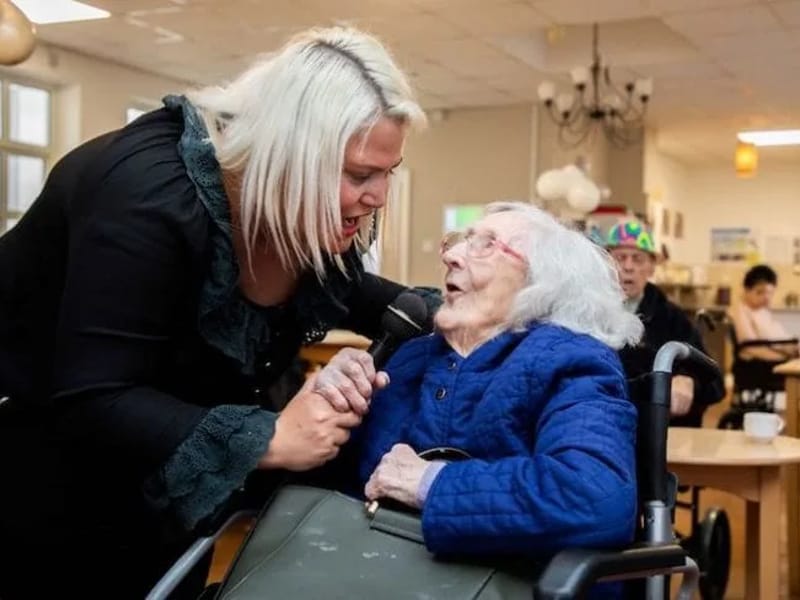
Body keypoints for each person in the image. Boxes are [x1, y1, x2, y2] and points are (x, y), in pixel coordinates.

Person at [0, 26, 437, 599]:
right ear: (290, 156)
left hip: (146, 497)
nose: (378, 196)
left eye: (388, 172)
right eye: (359, 175)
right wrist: (271, 438)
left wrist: (462, 305)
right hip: (34, 483)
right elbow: (94, 395)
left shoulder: (295, 216)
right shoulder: (148, 194)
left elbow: (359, 292)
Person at [314, 201, 642, 598]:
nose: (451, 256)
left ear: (542, 281)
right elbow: (321, 488)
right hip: (371, 576)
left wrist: (429, 483)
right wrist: (325, 403)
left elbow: (594, 495)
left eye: (485, 245)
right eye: (458, 242)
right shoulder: (412, 355)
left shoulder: (573, 361)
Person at [605, 219, 725, 428]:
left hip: (651, 430)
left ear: (651, 267)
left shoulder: (671, 317)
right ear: (606, 263)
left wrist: (688, 382)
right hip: (600, 422)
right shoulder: (587, 310)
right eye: (620, 258)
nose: (628, 267)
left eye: (638, 259)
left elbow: (714, 383)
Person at [731, 264, 799, 361]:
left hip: (787, 350)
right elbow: (749, 347)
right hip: (761, 366)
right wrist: (784, 359)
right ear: (746, 290)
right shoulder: (741, 311)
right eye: (760, 292)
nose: (766, 297)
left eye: (770, 293)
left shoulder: (762, 312)